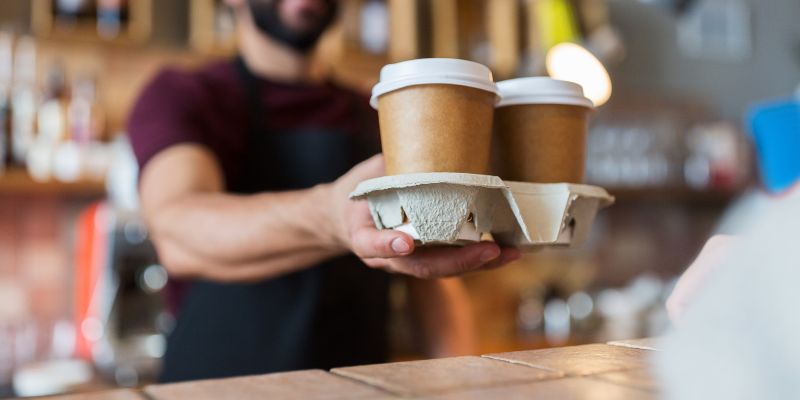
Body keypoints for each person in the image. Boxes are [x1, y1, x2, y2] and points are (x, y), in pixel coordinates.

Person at [128, 0, 520, 383]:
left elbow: (429, 281)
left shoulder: (380, 114)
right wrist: (331, 216)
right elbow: (178, 232)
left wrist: (464, 382)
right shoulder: (184, 95)